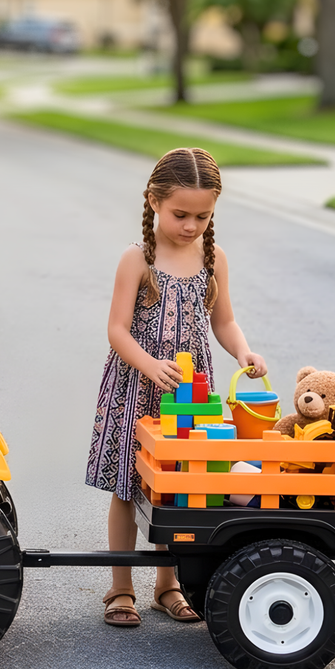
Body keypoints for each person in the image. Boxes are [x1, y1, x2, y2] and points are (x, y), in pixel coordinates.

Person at [87, 147, 268, 627]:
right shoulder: (138, 258)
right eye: (180, 214)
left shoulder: (213, 258)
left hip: (191, 395)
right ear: (153, 202)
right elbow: (117, 330)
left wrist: (244, 352)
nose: (191, 226)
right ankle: (120, 588)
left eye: (203, 216)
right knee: (128, 486)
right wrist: (149, 365)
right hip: (136, 388)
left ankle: (168, 585)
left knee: (180, 487)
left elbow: (223, 320)